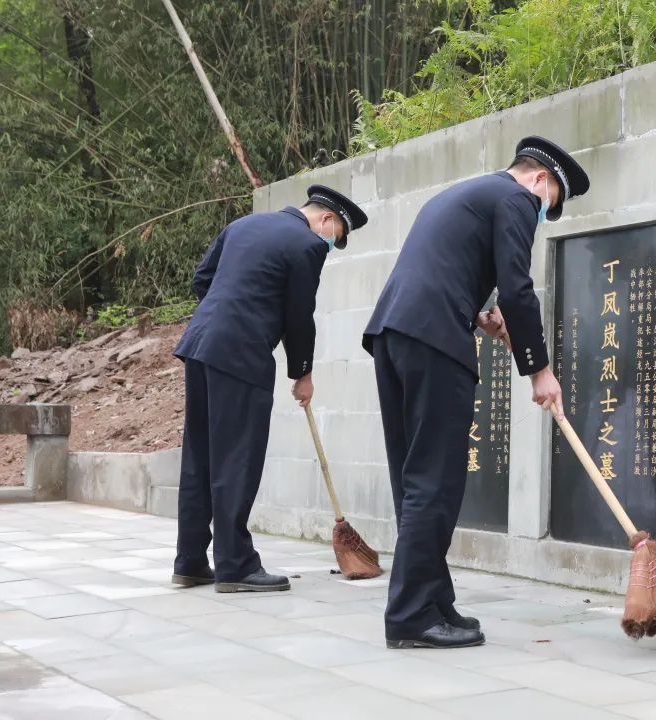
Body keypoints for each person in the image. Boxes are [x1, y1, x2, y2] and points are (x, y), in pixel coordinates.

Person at [364, 136, 590, 648]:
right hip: (434, 341)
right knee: (435, 481)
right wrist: (538, 369)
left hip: (395, 334)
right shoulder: (515, 198)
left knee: (415, 480)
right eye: (548, 205)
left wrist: (478, 317)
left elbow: (450, 272)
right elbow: (517, 287)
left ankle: (433, 599)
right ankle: (410, 617)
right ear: (540, 180)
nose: (540, 215)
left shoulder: (466, 193)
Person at [172, 184, 367, 593]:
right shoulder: (306, 246)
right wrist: (303, 373)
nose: (330, 245)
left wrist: (231, 315)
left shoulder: (243, 224)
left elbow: (202, 279)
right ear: (327, 221)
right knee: (235, 461)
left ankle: (190, 561)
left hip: (201, 346)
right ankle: (235, 566)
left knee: (200, 459)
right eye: (336, 238)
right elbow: (299, 316)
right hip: (240, 356)